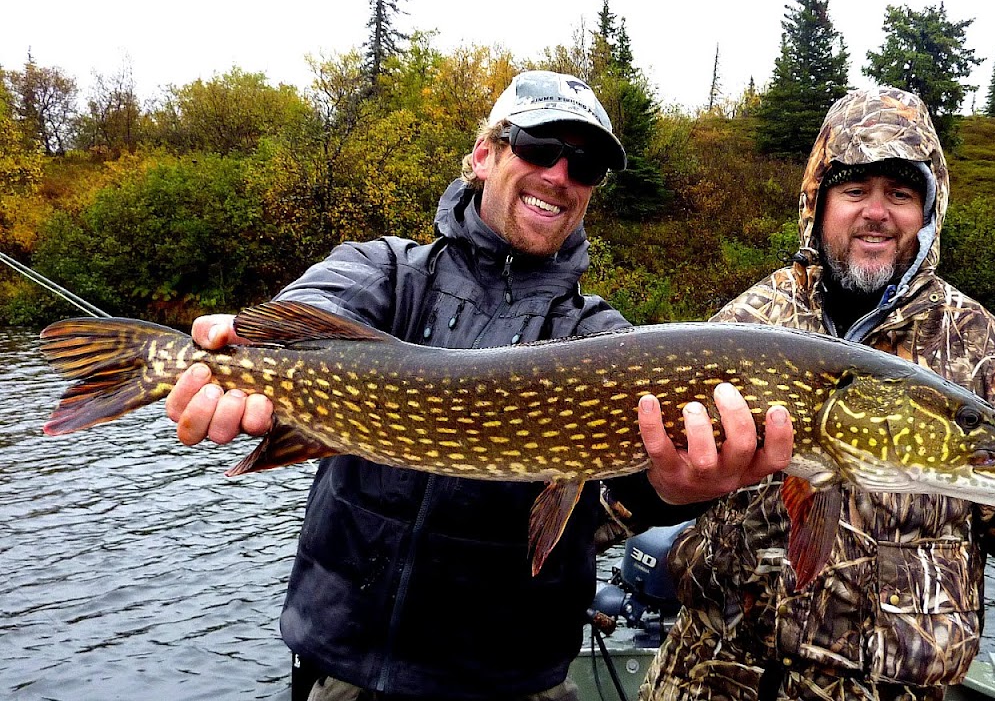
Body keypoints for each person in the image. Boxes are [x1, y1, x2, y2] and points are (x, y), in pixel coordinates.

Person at [162, 70, 793, 701]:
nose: (559, 175)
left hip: (512, 680)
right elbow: (319, 308)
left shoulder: (601, 339)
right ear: (484, 156)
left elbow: (624, 492)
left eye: (586, 164)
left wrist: (674, 495)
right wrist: (241, 352)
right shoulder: (386, 271)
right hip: (344, 669)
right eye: (539, 148)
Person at [637, 86, 995, 701]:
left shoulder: (985, 350)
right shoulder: (744, 324)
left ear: (928, 212)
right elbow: (622, 490)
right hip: (714, 675)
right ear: (818, 203)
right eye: (854, 190)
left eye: (901, 194)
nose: (876, 212)